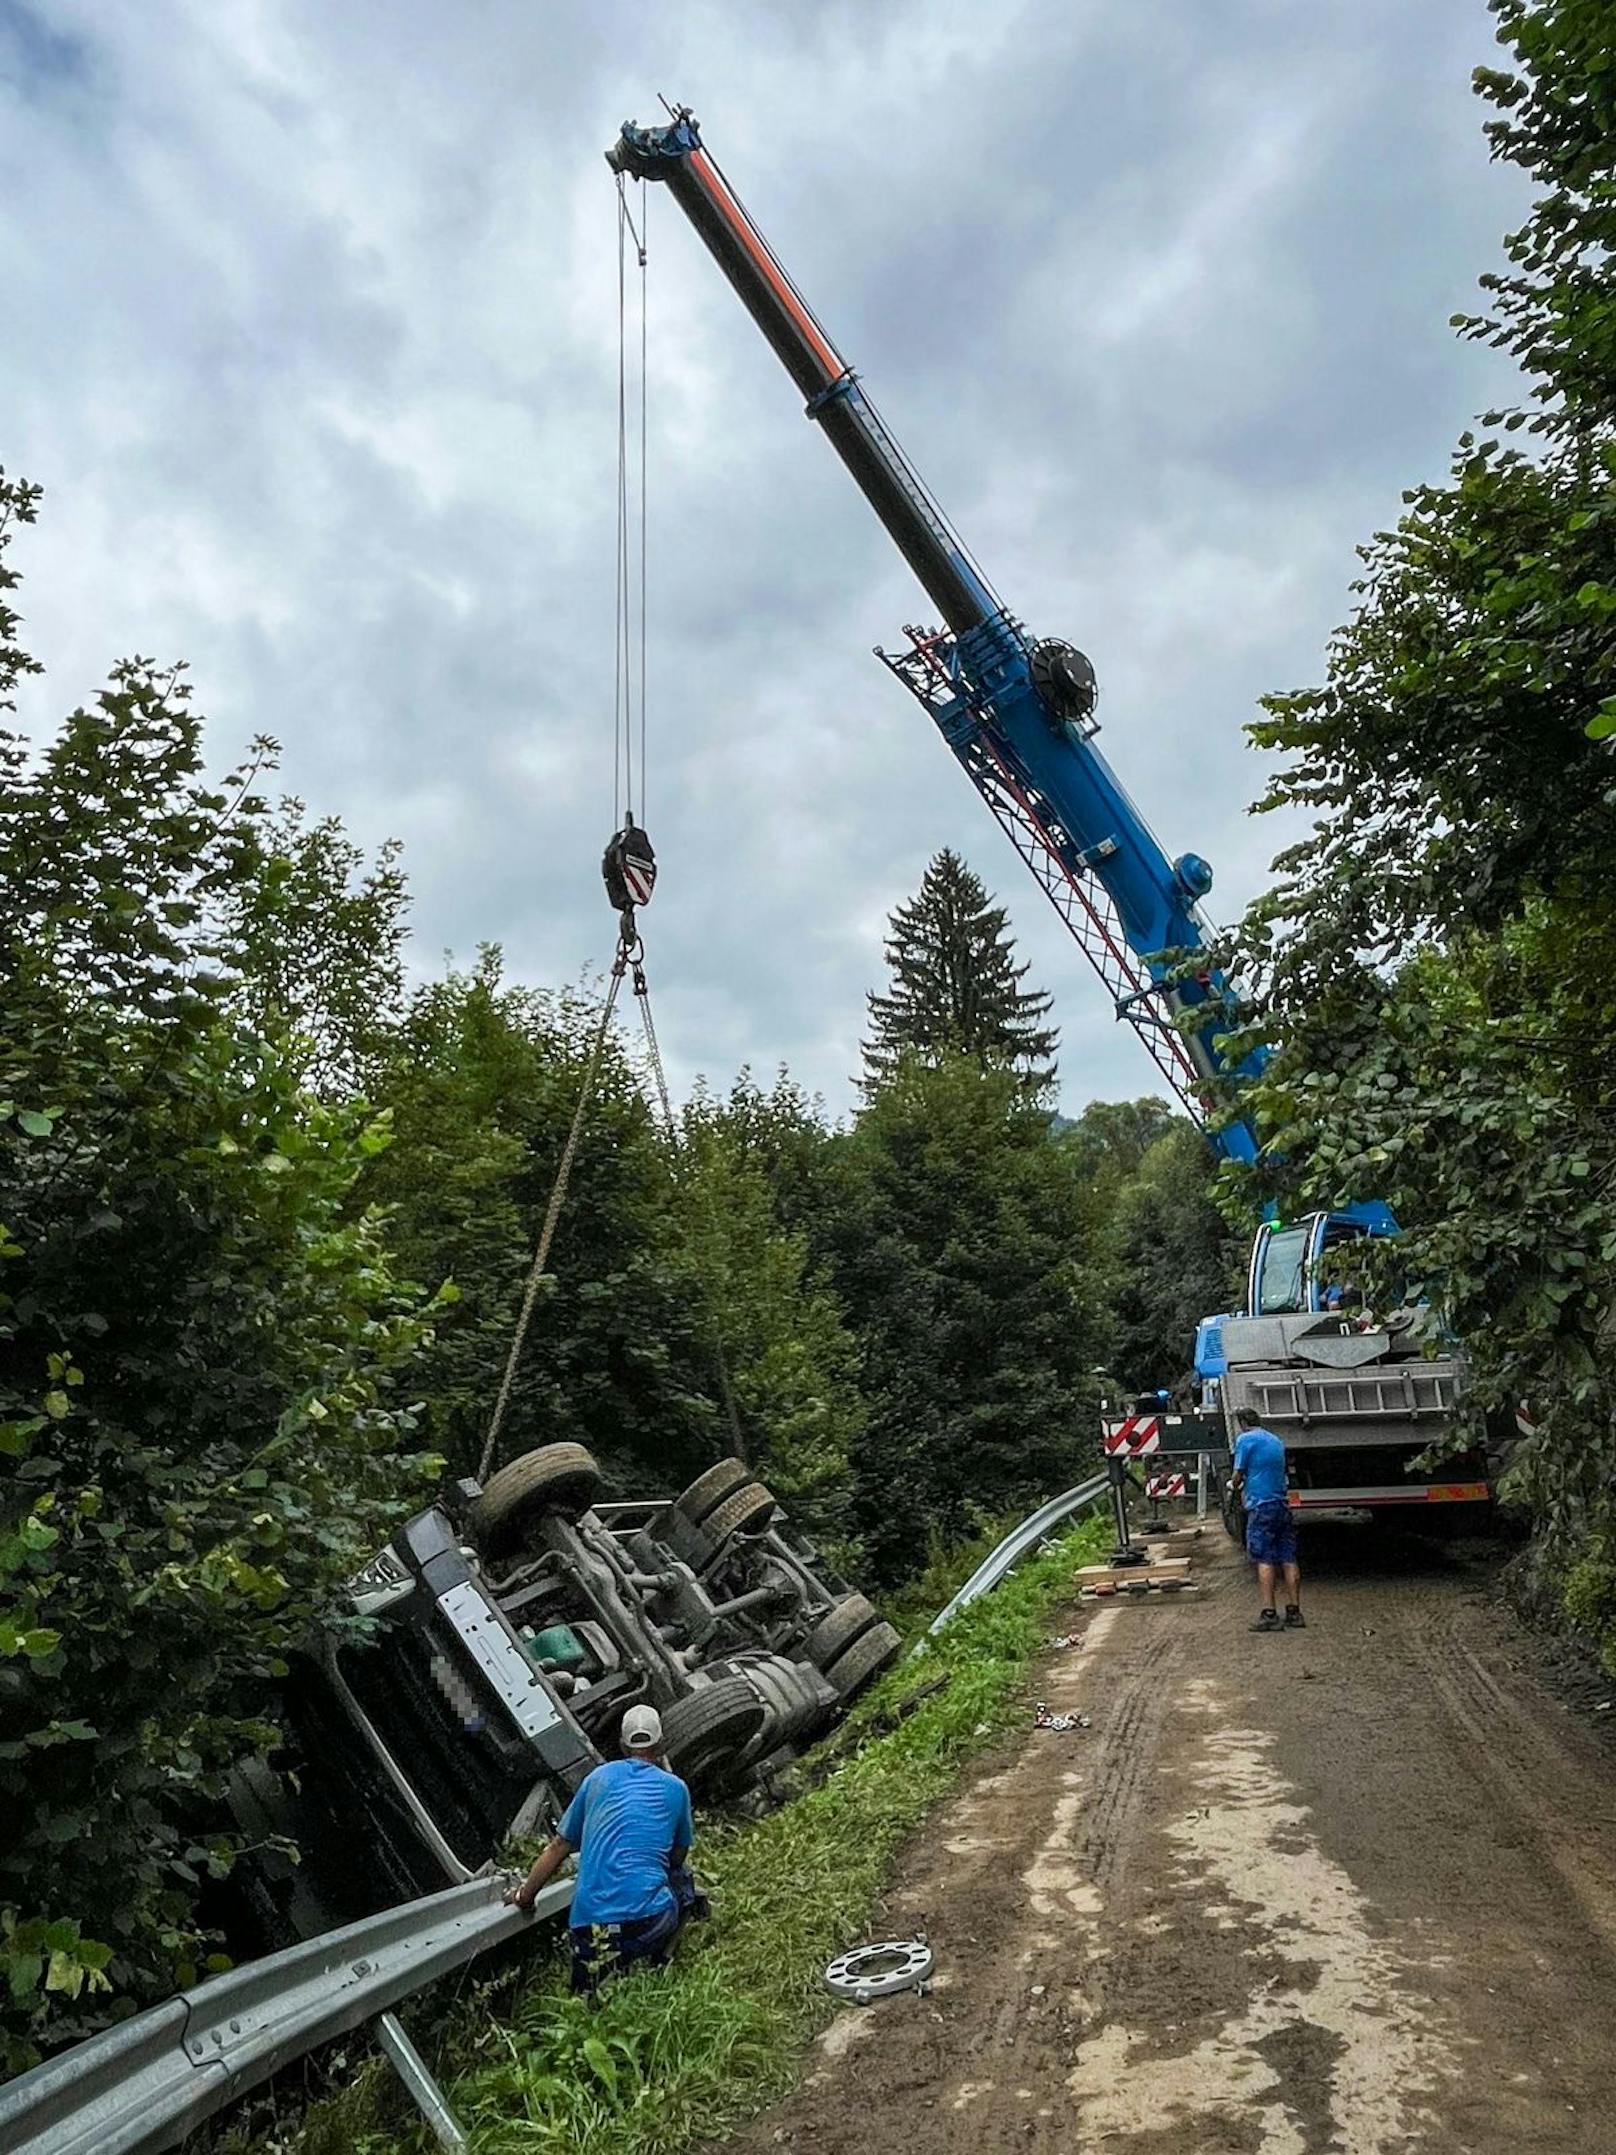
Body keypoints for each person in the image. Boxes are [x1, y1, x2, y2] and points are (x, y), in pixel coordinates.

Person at [505, 1702, 700, 1995]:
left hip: (588, 1926)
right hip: (648, 1921)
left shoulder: (597, 1778)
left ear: (622, 1745)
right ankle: (658, 1966)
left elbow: (559, 1846)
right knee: (682, 1881)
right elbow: (677, 1856)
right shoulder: (675, 1788)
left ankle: (590, 1988)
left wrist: (524, 1896)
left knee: (586, 1992)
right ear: (661, 1743)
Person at [1230, 1405, 1304, 1632]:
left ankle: (1269, 1613)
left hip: (1261, 1506)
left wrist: (1233, 1485)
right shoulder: (1275, 1440)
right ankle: (1294, 1612)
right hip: (1282, 1503)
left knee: (1264, 1558)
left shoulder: (1245, 1439)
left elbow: (1238, 1474)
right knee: (1289, 1558)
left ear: (1242, 1423)